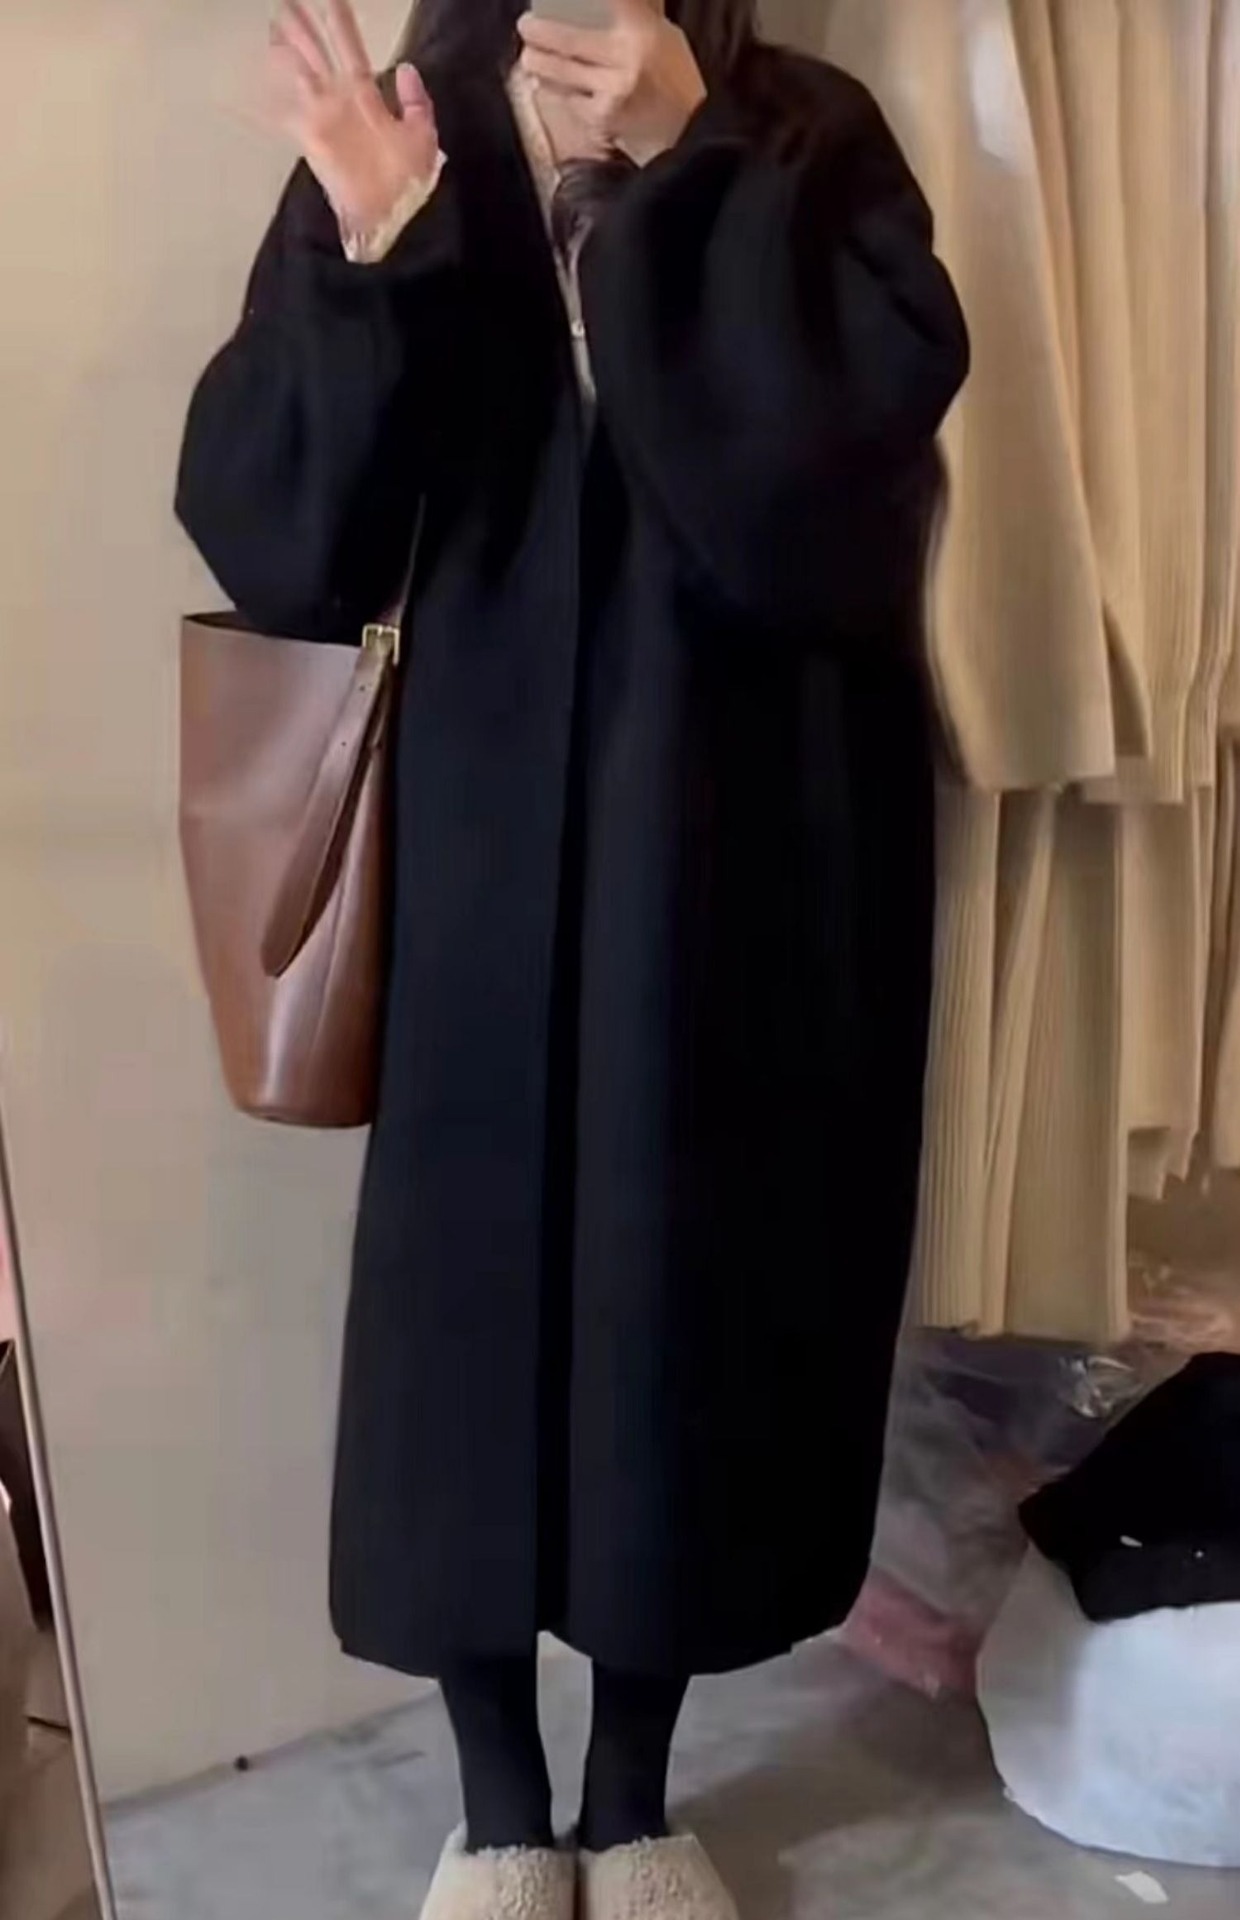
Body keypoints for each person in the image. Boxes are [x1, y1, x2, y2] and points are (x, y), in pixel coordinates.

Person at [176, 0, 968, 1914]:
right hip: (478, 831)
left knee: (685, 1303)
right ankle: (497, 1805)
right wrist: (375, 244)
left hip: (744, 837)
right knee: (466, 1317)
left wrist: (698, 169)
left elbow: (845, 503)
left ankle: (630, 1796)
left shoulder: (800, 127)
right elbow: (283, 537)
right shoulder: (416, 119)